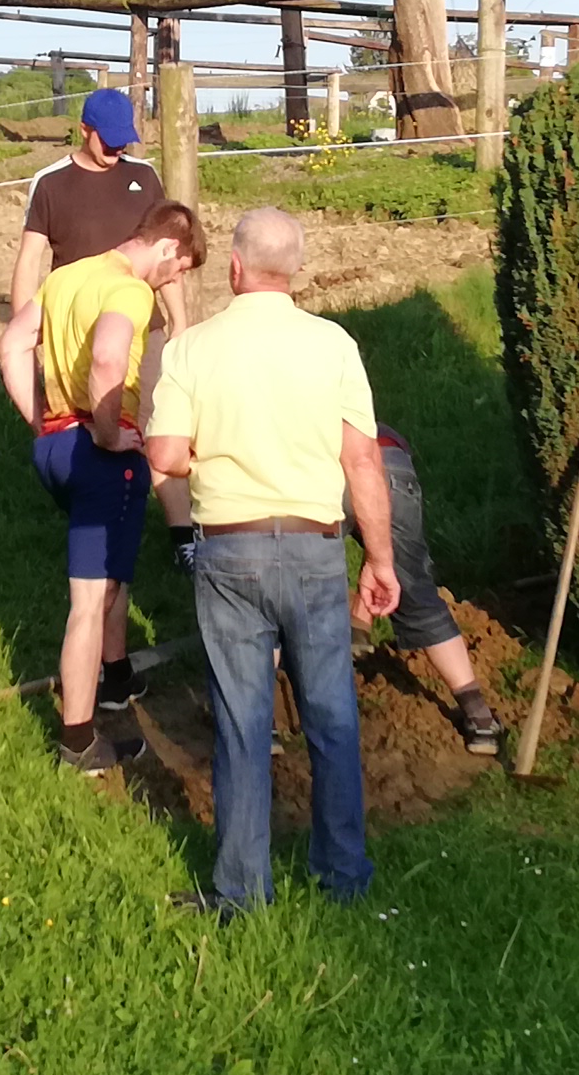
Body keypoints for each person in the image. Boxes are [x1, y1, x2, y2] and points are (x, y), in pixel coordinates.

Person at [143, 206, 397, 915]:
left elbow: (164, 454)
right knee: (331, 716)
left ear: (233, 266)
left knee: (241, 720)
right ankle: (344, 876)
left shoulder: (192, 349)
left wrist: (213, 451)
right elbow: (362, 461)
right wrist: (379, 558)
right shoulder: (334, 345)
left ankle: (241, 889)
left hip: (231, 547)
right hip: (316, 547)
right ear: (296, 270)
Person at [0, 200, 206, 774]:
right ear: (167, 247)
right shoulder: (130, 289)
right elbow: (110, 359)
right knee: (88, 603)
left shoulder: (67, 277)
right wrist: (110, 435)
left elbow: (11, 345)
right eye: (179, 269)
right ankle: (78, 742)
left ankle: (115, 678)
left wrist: (41, 420)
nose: (173, 282)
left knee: (112, 577)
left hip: (56, 448)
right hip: (100, 454)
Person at [13, 86, 199, 559]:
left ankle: (182, 535)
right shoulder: (51, 184)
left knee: (158, 423)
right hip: (80, 330)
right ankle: (98, 524)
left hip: (142, 329)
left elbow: (165, 253)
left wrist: (179, 324)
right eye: (107, 139)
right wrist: (27, 329)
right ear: (84, 130)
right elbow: (30, 260)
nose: (116, 149)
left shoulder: (143, 176)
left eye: (123, 139)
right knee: (93, 428)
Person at [374, 427, 507, 756]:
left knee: (285, 587)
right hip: (390, 462)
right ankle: (479, 718)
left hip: (319, 471)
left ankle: (266, 726)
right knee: (417, 593)